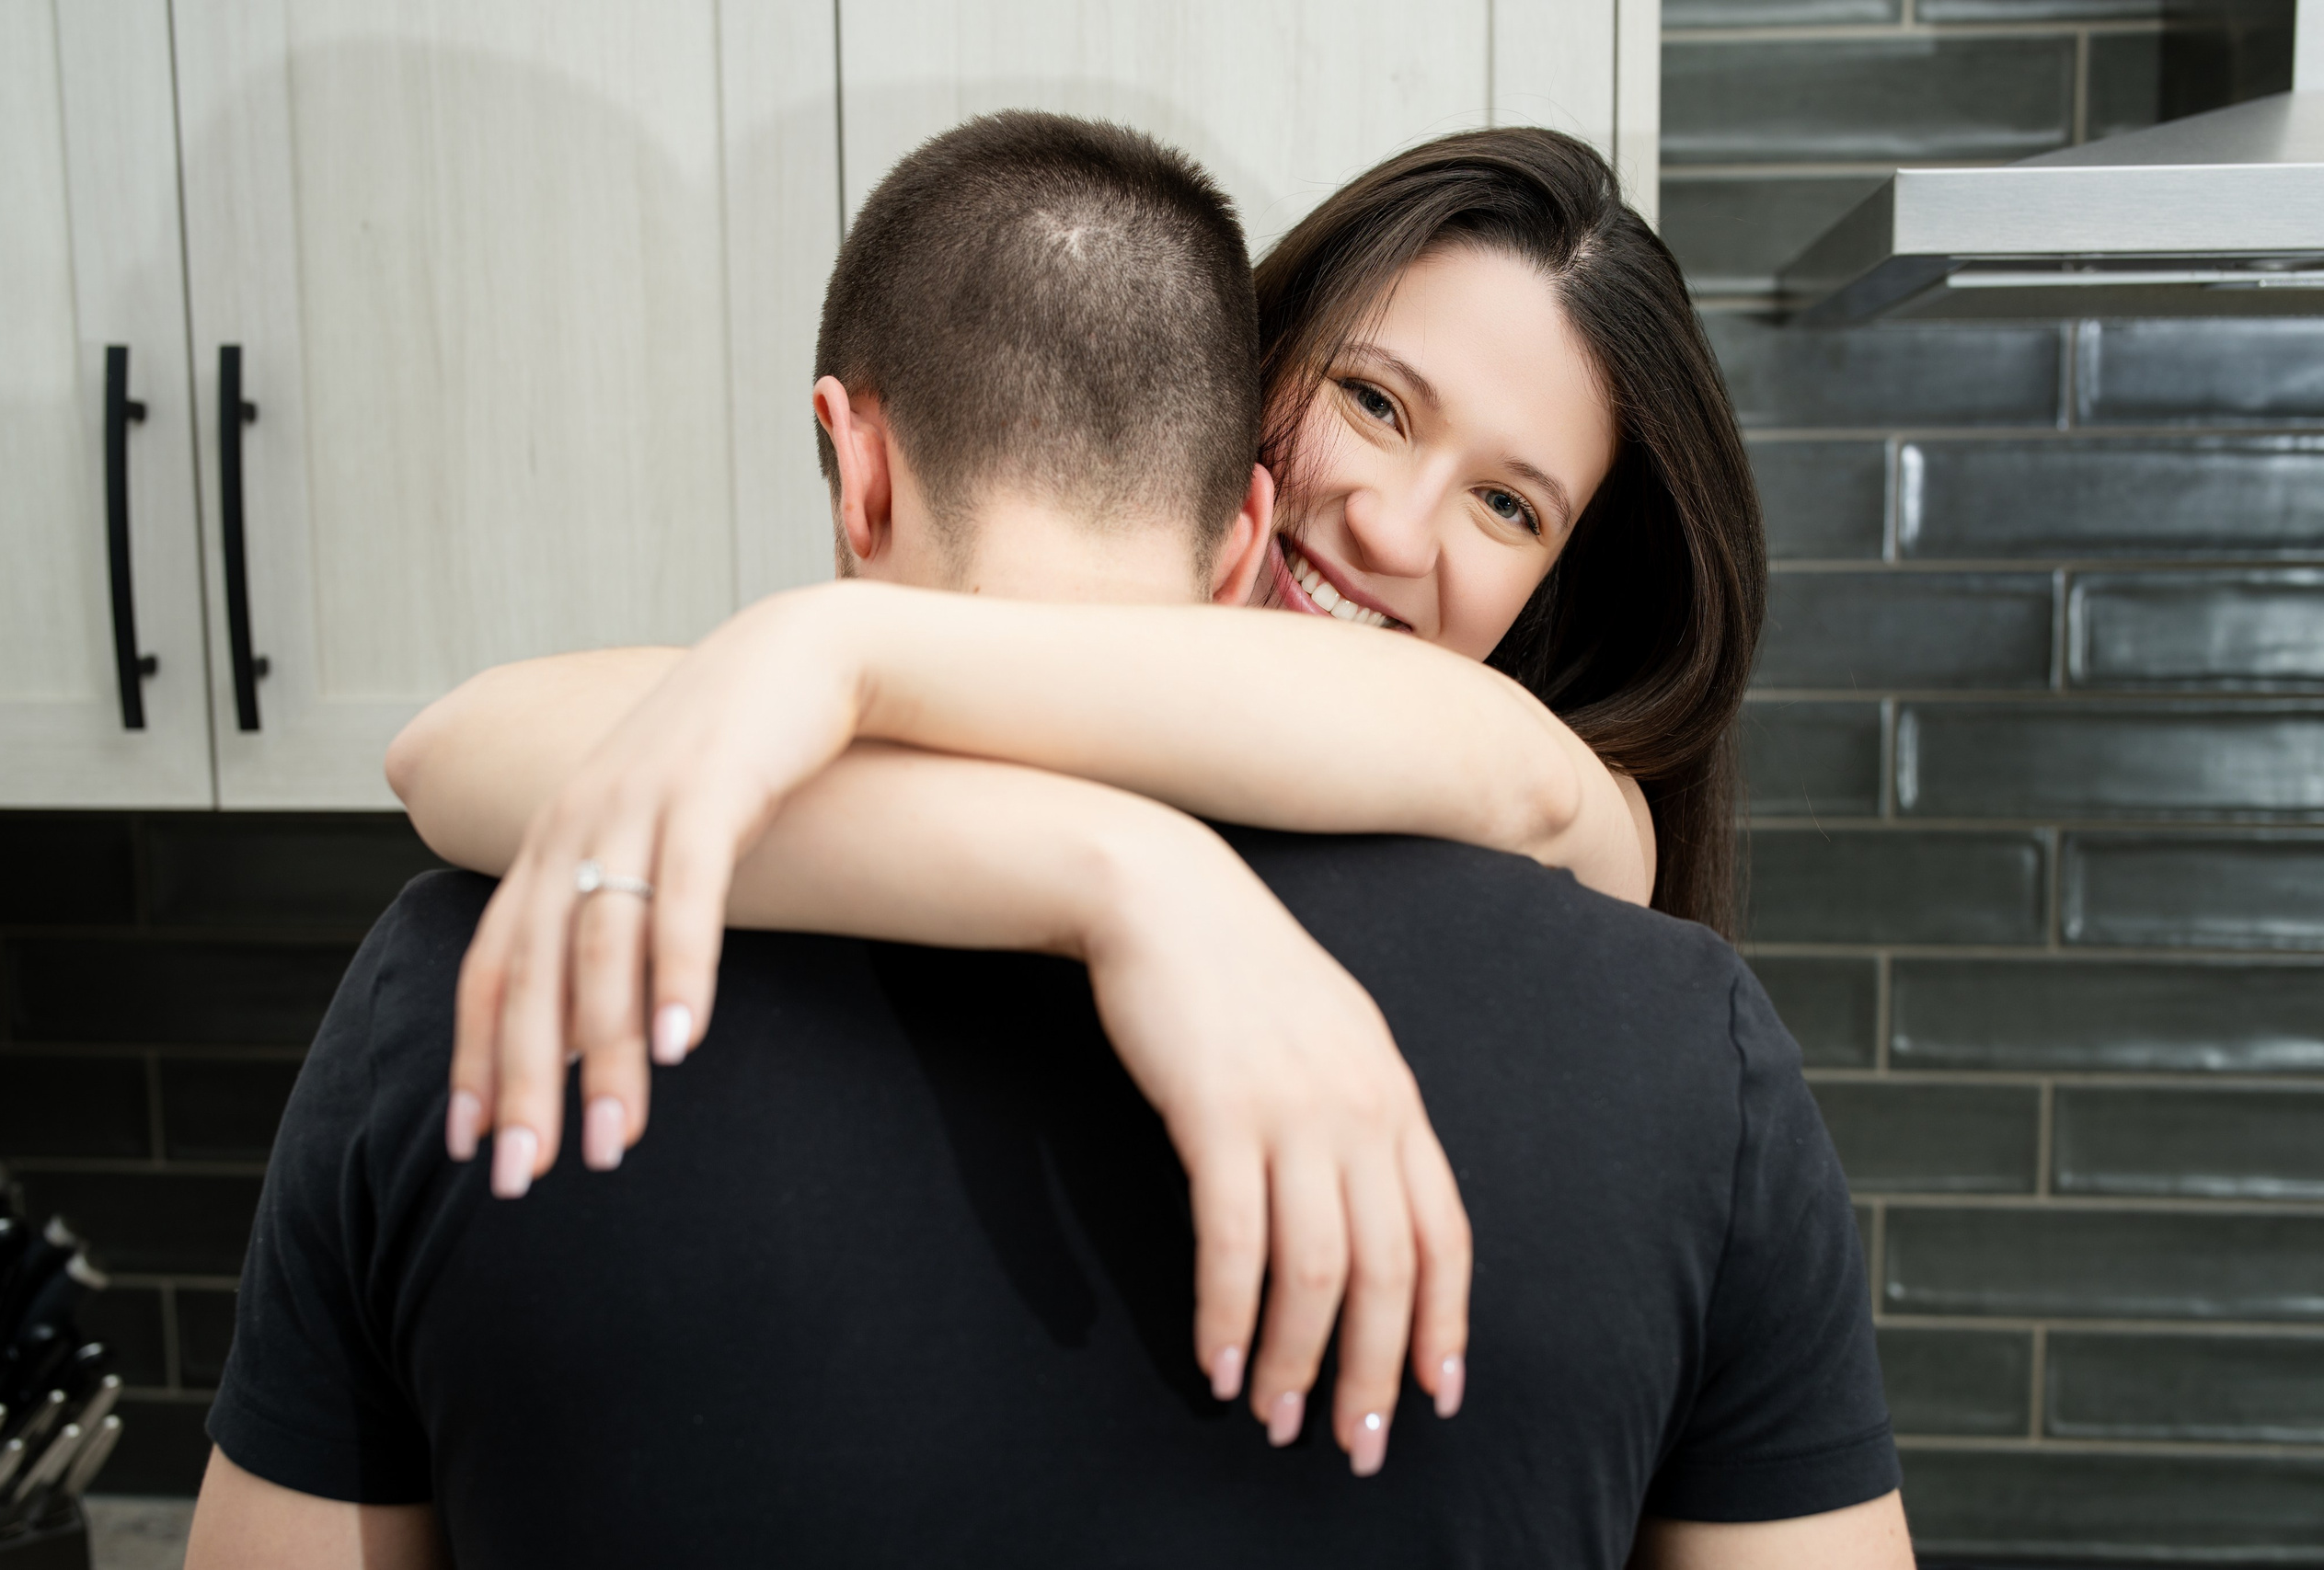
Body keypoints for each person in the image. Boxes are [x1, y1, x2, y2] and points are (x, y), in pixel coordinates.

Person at [189, 110, 1902, 1569]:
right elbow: (472, 747)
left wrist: (829, 647)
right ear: (1236, 421)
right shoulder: (1688, 1052)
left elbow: (1548, 794)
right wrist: (1120, 878)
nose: (1388, 522)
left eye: (1511, 506)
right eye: (1375, 404)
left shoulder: (1546, 807)